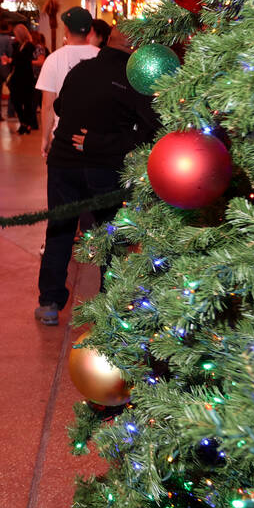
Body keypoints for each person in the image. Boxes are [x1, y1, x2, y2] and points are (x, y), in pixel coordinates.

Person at [36, 27, 160, 325]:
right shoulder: (135, 80)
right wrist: (106, 139)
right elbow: (151, 130)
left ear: (107, 43)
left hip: (63, 162)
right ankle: (110, 303)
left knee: (60, 230)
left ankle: (50, 302)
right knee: (110, 234)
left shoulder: (80, 70)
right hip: (105, 166)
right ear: (135, 49)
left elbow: (59, 106)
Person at [35, 6, 99, 158]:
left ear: (66, 29)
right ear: (90, 31)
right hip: (95, 139)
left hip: (63, 137)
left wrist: (45, 138)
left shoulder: (53, 60)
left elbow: (48, 105)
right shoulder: (101, 56)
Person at [10, 24, 39, 135]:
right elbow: (15, 60)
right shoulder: (17, 45)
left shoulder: (30, 46)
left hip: (26, 77)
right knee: (16, 101)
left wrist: (13, 60)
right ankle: (24, 123)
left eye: (16, 34)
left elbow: (24, 61)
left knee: (27, 102)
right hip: (17, 77)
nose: (15, 37)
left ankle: (25, 125)